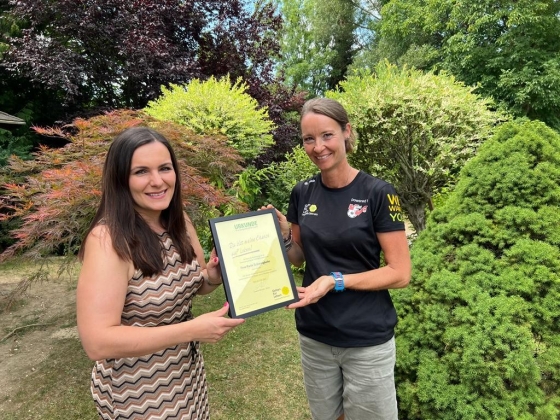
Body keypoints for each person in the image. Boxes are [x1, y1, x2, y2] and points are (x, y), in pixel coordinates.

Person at [76, 126, 245, 419]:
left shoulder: (179, 222)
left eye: (165, 168)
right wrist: (192, 330)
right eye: (141, 171)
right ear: (120, 179)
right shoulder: (108, 241)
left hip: (187, 376)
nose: (157, 181)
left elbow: (195, 283)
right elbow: (97, 341)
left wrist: (213, 276)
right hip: (138, 390)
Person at [264, 98, 411, 420]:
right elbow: (299, 258)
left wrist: (336, 281)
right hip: (315, 334)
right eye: (309, 139)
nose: (318, 147)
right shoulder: (302, 192)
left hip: (365, 338)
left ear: (346, 132)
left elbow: (400, 273)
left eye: (327, 135)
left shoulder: (379, 193)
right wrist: (284, 236)